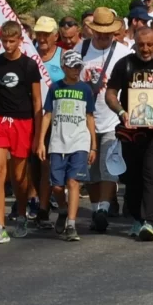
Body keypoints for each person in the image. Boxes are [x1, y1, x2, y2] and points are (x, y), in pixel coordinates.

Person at [106, 27, 153, 241]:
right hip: (131, 130)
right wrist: (121, 112)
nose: (146, 49)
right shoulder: (125, 64)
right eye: (141, 45)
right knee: (133, 176)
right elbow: (110, 93)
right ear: (135, 44)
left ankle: (149, 220)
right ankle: (137, 218)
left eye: (150, 44)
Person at [0, 21, 43, 244]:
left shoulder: (29, 65)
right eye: (4, 41)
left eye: (12, 41)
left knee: (19, 176)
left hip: (23, 123)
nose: (7, 45)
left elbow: (37, 101)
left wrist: (38, 135)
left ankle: (21, 215)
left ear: (20, 41)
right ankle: (0, 226)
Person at [75, 8, 132, 233]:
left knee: (109, 167)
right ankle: (96, 208)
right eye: (99, 32)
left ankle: (103, 209)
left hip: (112, 120)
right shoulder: (80, 49)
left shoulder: (124, 53)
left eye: (108, 33)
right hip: (85, 120)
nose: (103, 36)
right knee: (91, 171)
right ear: (92, 30)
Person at [36, 51, 96, 242]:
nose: (76, 70)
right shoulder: (55, 88)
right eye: (73, 67)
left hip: (79, 142)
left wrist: (93, 145)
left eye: (79, 66)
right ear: (64, 67)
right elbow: (47, 115)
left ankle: (71, 224)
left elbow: (89, 117)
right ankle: (62, 209)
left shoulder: (85, 89)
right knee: (57, 186)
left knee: (73, 182)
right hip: (57, 143)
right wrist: (41, 142)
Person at [31, 16, 64, 228]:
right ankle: (31, 203)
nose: (42, 38)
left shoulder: (63, 56)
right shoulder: (29, 54)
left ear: (55, 36)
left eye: (46, 34)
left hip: (55, 119)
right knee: (30, 166)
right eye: (39, 34)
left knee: (46, 165)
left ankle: (42, 209)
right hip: (29, 116)